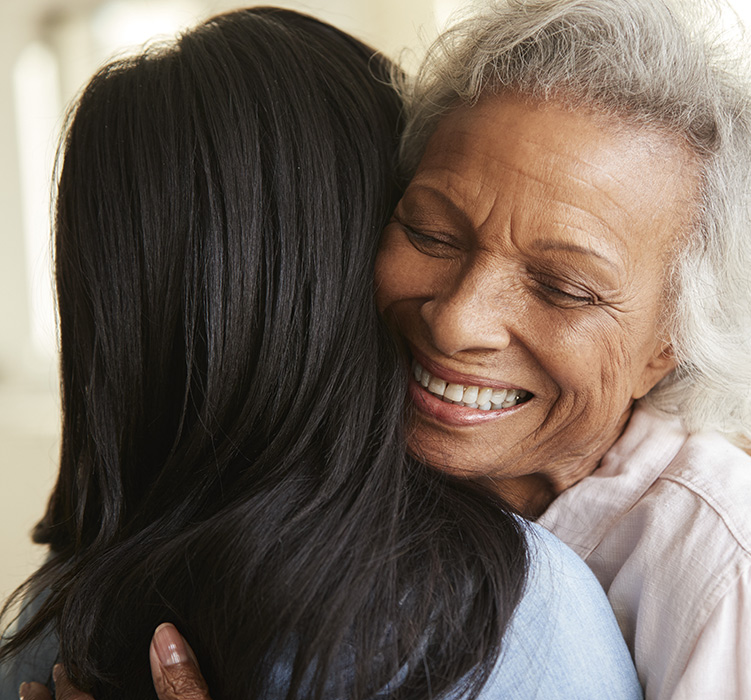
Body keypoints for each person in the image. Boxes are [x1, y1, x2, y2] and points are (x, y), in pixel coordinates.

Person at [0, 7, 642, 700]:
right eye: (429, 232)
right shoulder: (506, 618)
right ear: (350, 252)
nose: (458, 318)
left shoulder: (48, 633)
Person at [373, 0, 751, 697]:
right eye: (431, 234)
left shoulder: (727, 561)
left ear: (672, 343)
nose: (458, 322)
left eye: (564, 288)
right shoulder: (350, 454)